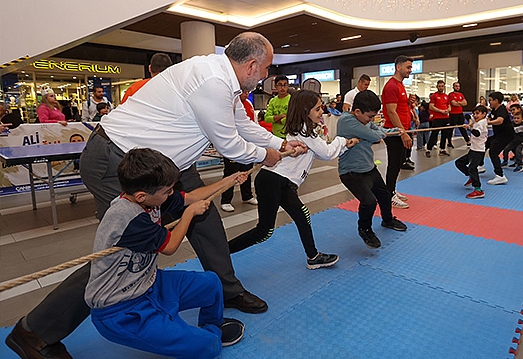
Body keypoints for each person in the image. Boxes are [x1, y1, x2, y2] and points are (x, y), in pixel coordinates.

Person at [6, 32, 308, 359]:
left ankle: (225, 291)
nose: (267, 76)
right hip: (121, 160)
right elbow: (229, 145)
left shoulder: (228, 84)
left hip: (168, 164)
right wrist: (266, 155)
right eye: (265, 69)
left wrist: (279, 145)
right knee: (120, 250)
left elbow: (242, 127)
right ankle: (33, 332)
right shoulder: (212, 81)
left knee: (205, 220)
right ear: (251, 65)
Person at [85, 148, 247, 359]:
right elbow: (170, 247)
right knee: (210, 347)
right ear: (143, 195)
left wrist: (230, 179)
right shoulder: (127, 216)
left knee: (211, 282)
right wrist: (189, 214)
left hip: (150, 284)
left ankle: (209, 326)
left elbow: (191, 196)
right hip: (121, 309)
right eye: (168, 190)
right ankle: (204, 336)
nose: (172, 193)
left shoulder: (149, 198)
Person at [228, 90, 357, 268]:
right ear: (305, 111)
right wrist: (341, 141)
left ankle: (313, 257)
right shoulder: (304, 131)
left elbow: (317, 153)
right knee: (264, 231)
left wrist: (343, 146)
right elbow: (327, 153)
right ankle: (222, 253)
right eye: (318, 109)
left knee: (302, 216)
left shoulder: (305, 131)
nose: (322, 112)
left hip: (282, 183)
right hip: (272, 181)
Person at [337, 90, 408, 248]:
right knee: (369, 201)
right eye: (369, 116)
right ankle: (365, 229)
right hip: (351, 172)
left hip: (368, 168)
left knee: (384, 195)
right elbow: (374, 135)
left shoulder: (363, 120)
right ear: (357, 111)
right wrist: (382, 133)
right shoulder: (347, 121)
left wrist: (396, 131)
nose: (371, 119)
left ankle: (387, 220)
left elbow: (375, 130)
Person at [381, 55, 414, 209]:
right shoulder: (391, 86)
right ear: (398, 67)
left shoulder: (400, 85)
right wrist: (403, 133)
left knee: (399, 162)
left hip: (402, 129)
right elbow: (391, 112)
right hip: (394, 132)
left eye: (411, 68)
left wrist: (409, 104)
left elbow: (399, 107)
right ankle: (389, 194)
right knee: (394, 164)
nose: (410, 70)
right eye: (408, 67)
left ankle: (391, 189)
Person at [221, 91, 259, 212]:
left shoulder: (248, 104)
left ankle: (247, 196)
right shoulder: (228, 105)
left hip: (247, 145)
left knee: (247, 171)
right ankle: (226, 200)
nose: (246, 94)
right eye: (244, 92)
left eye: (248, 92)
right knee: (230, 173)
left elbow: (254, 123)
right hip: (233, 146)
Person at [455, 105, 489, 199]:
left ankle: (478, 190)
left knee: (472, 168)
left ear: (484, 114)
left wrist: (469, 128)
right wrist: (470, 121)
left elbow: (477, 133)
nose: (475, 115)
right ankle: (471, 177)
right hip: (473, 150)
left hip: (478, 151)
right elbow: (468, 117)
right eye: (474, 113)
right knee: (459, 163)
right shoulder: (479, 121)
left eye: (477, 113)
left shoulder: (480, 123)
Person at [486, 91, 514, 185]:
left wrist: (488, 123)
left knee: (493, 152)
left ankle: (500, 176)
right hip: (498, 134)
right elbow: (489, 118)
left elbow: (500, 121)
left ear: (496, 100)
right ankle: (479, 165)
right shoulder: (494, 110)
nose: (489, 102)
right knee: (485, 144)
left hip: (506, 135)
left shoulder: (502, 109)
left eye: (490, 100)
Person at [426, 80, 451, 157]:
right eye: (439, 86)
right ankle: (428, 149)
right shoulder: (434, 95)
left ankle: (442, 149)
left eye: (442, 86)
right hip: (437, 118)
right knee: (434, 134)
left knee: (445, 134)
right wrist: (441, 111)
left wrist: (448, 110)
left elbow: (449, 106)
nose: (441, 87)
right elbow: (431, 106)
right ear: (437, 87)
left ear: (444, 87)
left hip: (446, 118)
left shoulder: (446, 96)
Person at [448, 82, 469, 146]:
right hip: (453, 114)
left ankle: (467, 141)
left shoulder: (461, 95)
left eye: (458, 86)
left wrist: (458, 102)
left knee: (462, 127)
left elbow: (465, 103)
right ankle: (449, 142)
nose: (457, 87)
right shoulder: (451, 95)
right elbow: (453, 103)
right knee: (451, 128)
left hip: (460, 113)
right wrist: (461, 103)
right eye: (456, 86)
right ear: (453, 87)